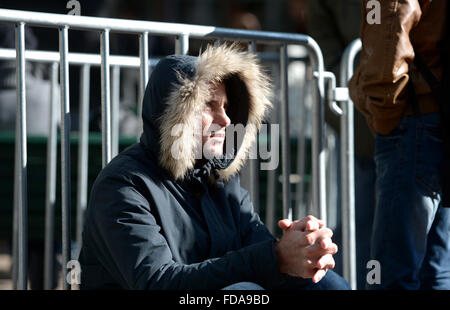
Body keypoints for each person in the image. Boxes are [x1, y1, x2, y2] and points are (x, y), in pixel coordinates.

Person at [78, 44, 350, 290]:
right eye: (210, 105)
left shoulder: (218, 179)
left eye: (228, 107)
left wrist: (301, 250)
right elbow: (158, 283)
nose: (226, 119)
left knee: (329, 287)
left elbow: (262, 254)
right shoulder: (124, 185)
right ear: (174, 113)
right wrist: (276, 257)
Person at [349, 0, 450, 289]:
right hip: (433, 117)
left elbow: (389, 32)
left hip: (412, 122)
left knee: (390, 273)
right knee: (435, 269)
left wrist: (384, 115)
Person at [307, 0, 376, 289]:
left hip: (412, 120)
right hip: (361, 128)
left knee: (429, 245)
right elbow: (329, 62)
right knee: (359, 232)